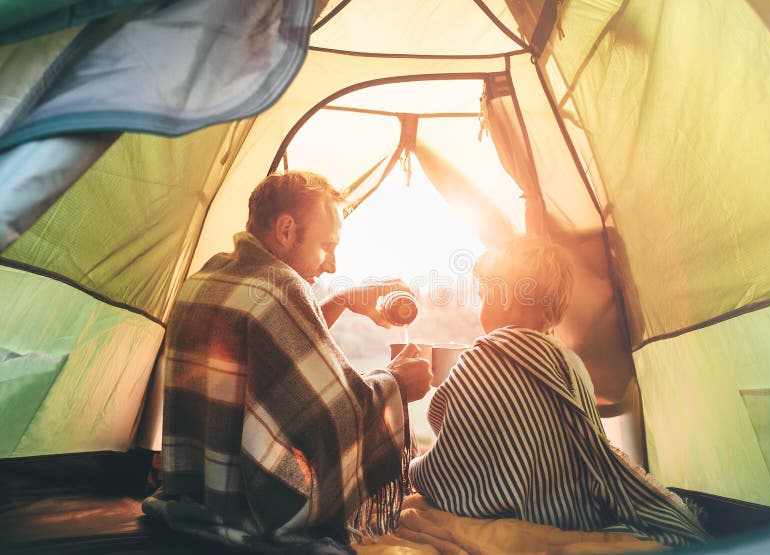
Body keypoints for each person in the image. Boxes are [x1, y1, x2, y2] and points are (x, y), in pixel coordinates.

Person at [144, 171, 431, 550]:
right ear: (285, 230)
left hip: (200, 489)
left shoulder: (212, 275)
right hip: (251, 508)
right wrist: (396, 384)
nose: (331, 265)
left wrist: (342, 300)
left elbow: (275, 360)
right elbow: (333, 414)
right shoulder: (280, 285)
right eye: (326, 246)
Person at [408, 237, 710, 547]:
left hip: (529, 515)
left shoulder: (485, 356)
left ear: (507, 298)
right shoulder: (571, 360)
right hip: (578, 509)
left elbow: (455, 459)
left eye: (485, 295)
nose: (481, 308)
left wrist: (415, 470)